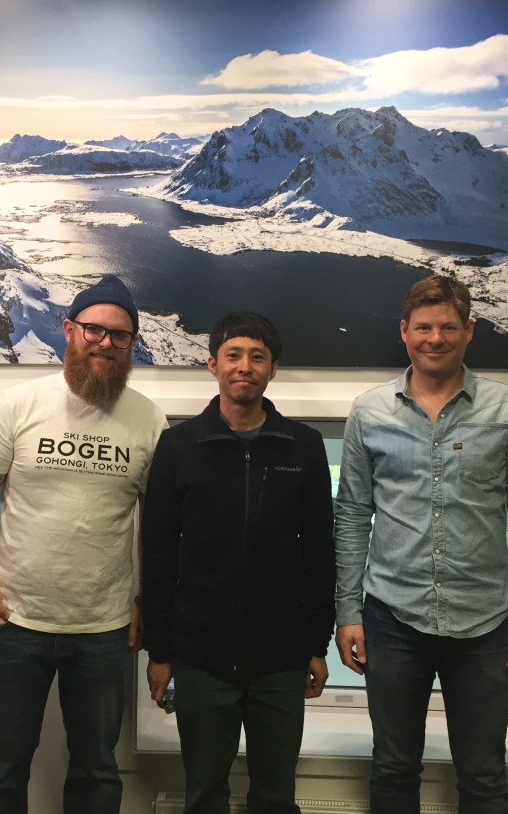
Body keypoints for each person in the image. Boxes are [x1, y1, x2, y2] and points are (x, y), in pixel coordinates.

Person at [334, 275, 508, 814]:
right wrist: (347, 612)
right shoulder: (369, 411)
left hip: (485, 623)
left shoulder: (506, 409)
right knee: (393, 767)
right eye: (424, 327)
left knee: (483, 774)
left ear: (469, 331)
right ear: (404, 332)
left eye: (449, 327)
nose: (436, 338)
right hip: (392, 617)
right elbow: (352, 516)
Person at [0, 274, 167, 814]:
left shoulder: (149, 419)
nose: (105, 343)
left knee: (97, 772)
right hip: (14, 622)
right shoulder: (19, 403)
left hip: (103, 628)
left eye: (119, 335)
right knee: (2, 774)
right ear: (69, 330)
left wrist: (144, 603)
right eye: (94, 330)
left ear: (131, 344)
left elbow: (155, 525)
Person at [142, 311, 336, 814]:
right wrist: (159, 652)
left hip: (281, 657)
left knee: (275, 796)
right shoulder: (178, 446)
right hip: (201, 656)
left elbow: (320, 552)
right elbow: (158, 554)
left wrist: (318, 645)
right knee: (205, 793)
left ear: (273, 369)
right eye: (233, 355)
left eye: (257, 357)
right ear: (213, 365)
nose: (244, 366)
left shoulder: (304, 446)